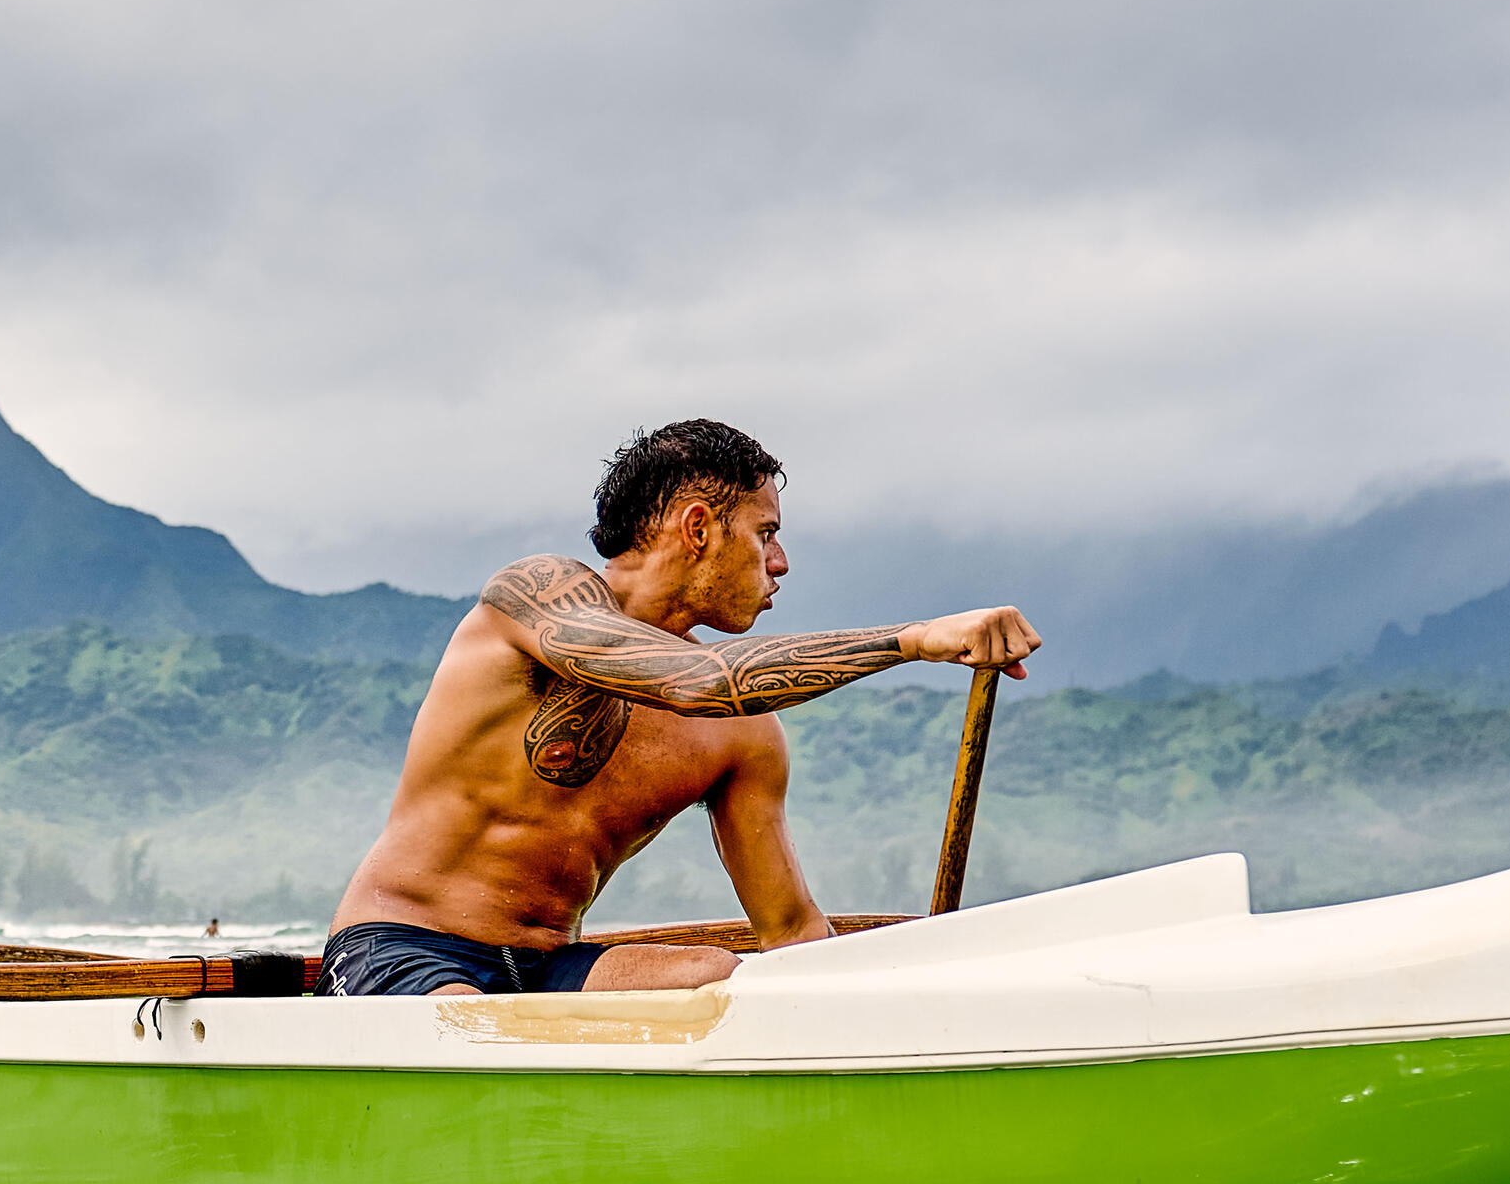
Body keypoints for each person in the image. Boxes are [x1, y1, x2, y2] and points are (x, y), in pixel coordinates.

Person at [325, 419, 1040, 997]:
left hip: (551, 967)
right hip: (405, 947)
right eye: (765, 533)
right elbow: (693, 681)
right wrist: (912, 640)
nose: (781, 563)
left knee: (718, 976)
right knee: (468, 1023)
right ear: (698, 528)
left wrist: (918, 1002)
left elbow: (790, 934)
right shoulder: (538, 595)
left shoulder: (743, 733)